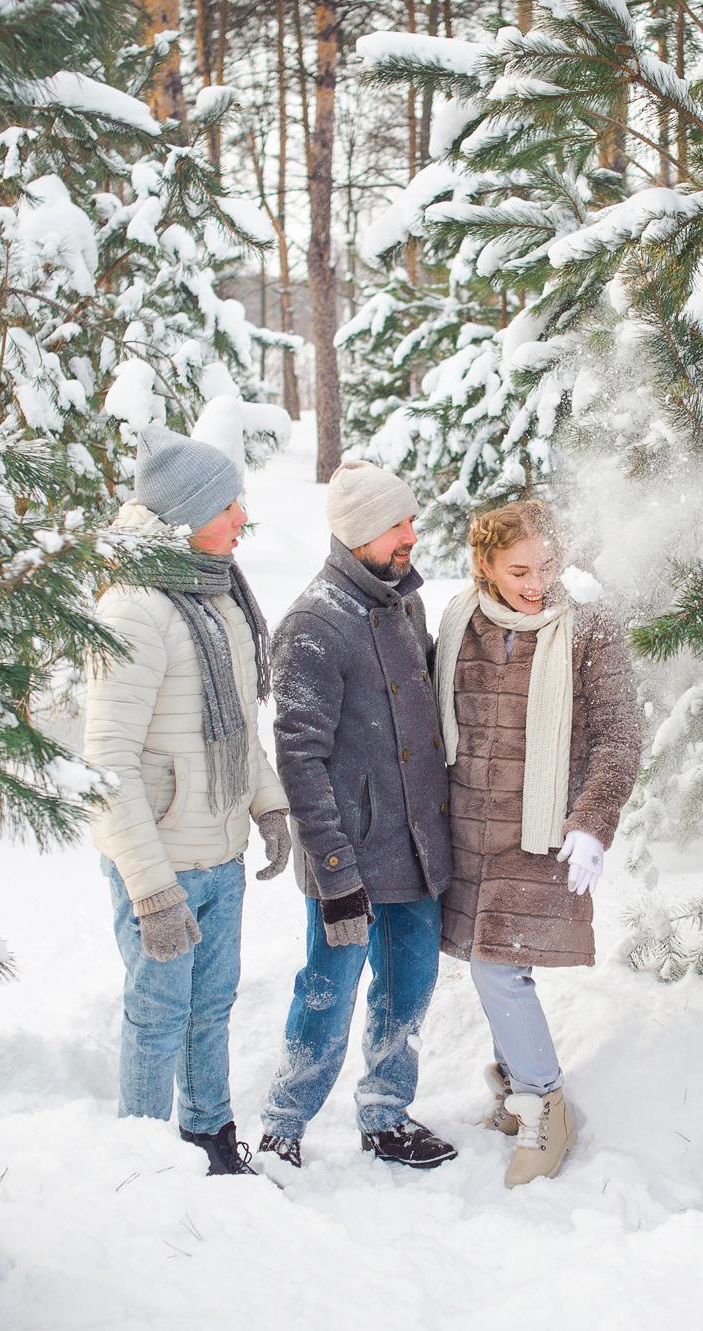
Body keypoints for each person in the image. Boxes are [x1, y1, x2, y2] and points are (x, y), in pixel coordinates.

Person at [84, 427, 292, 1177]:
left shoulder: (219, 594)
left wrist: (267, 804)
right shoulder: (135, 609)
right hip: (163, 864)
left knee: (211, 1008)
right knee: (157, 1016)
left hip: (220, 852)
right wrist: (150, 890)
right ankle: (139, 1160)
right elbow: (105, 766)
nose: (241, 516)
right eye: (228, 504)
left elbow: (237, 724)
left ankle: (210, 1137)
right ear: (188, 512)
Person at [257, 461, 458, 1171]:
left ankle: (386, 1113)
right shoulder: (313, 624)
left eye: (408, 520)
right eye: (396, 524)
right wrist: (336, 873)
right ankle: (283, 1123)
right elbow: (299, 760)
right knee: (328, 993)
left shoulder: (405, 603)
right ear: (356, 532)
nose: (411, 535)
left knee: (409, 988)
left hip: (415, 850)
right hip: (349, 856)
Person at [434, 499, 641, 1187]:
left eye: (547, 565)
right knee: (484, 962)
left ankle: (548, 1106)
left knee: (501, 968)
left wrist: (592, 821)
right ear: (485, 565)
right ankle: (519, 1089)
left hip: (540, 833)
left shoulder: (589, 626)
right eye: (519, 568)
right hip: (468, 827)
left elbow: (617, 736)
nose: (536, 582)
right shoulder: (461, 619)